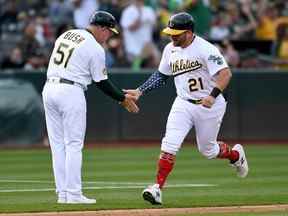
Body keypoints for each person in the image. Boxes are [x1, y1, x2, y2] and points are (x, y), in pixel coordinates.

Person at [124, 12, 249, 205]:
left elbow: (225, 74)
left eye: (176, 32)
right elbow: (161, 75)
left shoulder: (206, 49)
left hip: (209, 105)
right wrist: (140, 91)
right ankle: (157, 188)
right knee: (169, 144)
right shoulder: (170, 49)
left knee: (207, 150)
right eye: (170, 32)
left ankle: (235, 155)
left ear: (189, 33)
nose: (172, 35)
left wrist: (211, 95)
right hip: (182, 102)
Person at [42, 11, 139, 204]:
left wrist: (121, 96)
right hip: (70, 91)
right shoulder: (94, 47)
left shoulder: (66, 34)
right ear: (102, 28)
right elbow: (101, 81)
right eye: (109, 31)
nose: (109, 36)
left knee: (58, 146)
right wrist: (122, 98)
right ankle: (74, 195)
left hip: (49, 89)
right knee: (74, 145)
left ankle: (63, 194)